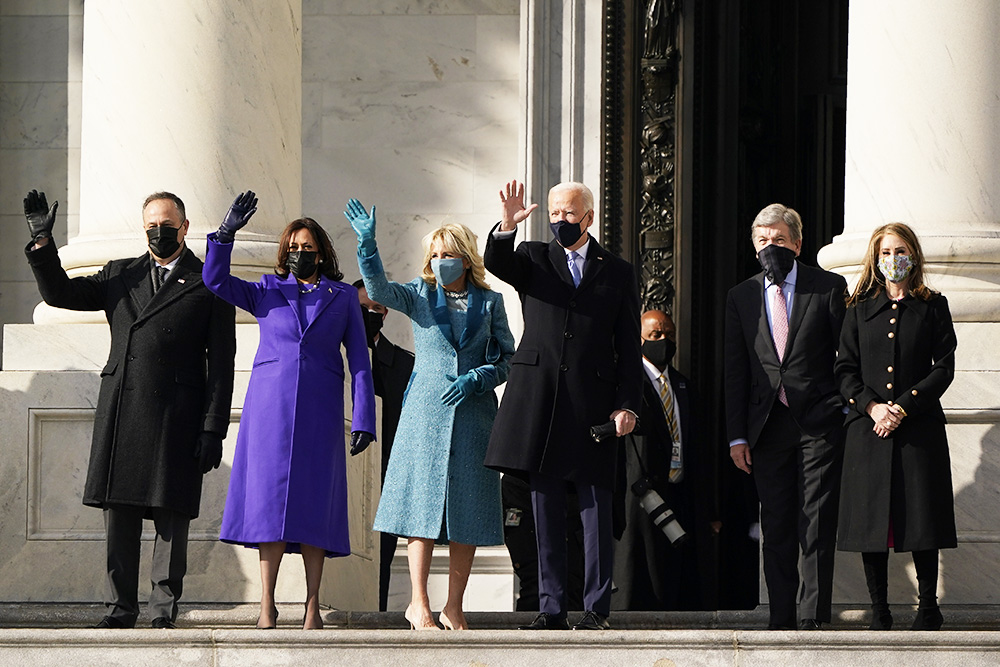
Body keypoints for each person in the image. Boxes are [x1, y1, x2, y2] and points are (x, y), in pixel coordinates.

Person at [22, 189, 236, 629]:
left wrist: (213, 427)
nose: (159, 232)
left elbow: (222, 362)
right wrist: (44, 245)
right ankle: (119, 609)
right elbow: (62, 294)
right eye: (152, 226)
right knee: (118, 514)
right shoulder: (121, 274)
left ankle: (162, 611)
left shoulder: (209, 281)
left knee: (170, 516)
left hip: (178, 413)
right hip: (125, 409)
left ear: (185, 227)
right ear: (144, 229)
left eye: (167, 225)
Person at [203, 191, 375, 630]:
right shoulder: (265, 289)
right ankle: (267, 605)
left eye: (307, 248)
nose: (300, 254)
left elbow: (358, 358)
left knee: (316, 505)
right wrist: (224, 235)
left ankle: (313, 606)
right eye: (293, 248)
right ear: (284, 252)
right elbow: (216, 281)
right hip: (269, 412)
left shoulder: (341, 297)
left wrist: (363, 419)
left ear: (321, 252)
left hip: (319, 410)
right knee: (270, 506)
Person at [346, 199, 515, 631]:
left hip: (474, 414)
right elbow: (379, 290)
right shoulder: (420, 295)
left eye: (447, 254)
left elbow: (509, 359)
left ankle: (453, 605)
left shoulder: (491, 302)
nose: (440, 262)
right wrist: (367, 243)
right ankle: (418, 603)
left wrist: (479, 377)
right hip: (424, 412)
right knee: (419, 506)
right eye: (434, 255)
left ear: (466, 257)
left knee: (468, 510)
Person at [483, 180, 643, 631]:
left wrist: (627, 403)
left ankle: (596, 608)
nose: (559, 221)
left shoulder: (617, 271)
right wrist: (505, 227)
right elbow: (497, 262)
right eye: (553, 214)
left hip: (594, 404)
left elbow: (629, 347)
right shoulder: (534, 258)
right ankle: (551, 607)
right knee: (544, 508)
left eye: (568, 214)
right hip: (541, 403)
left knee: (595, 509)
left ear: (588, 217)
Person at [724, 203, 847, 630]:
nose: (770, 247)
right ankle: (781, 617)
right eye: (762, 240)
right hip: (766, 426)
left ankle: (812, 615)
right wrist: (736, 436)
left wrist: (843, 407)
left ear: (796, 242)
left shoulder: (828, 286)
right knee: (775, 525)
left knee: (815, 521)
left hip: (818, 423)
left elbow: (845, 356)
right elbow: (735, 369)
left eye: (778, 240)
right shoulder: (741, 295)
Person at [835, 223, 957, 631]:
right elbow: (845, 370)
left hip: (918, 429)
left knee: (922, 517)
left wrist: (902, 408)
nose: (893, 260)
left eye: (900, 251)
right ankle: (880, 608)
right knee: (874, 521)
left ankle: (927, 607)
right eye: (885, 252)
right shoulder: (858, 308)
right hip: (868, 430)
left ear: (914, 255)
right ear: (875, 258)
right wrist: (872, 408)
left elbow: (944, 368)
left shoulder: (933, 305)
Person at [613, 309, 718, 611]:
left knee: (680, 580)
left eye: (669, 335)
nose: (664, 341)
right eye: (655, 335)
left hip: (681, 493)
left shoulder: (684, 387)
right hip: (642, 496)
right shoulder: (627, 386)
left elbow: (699, 447)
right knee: (641, 577)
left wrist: (709, 509)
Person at [352, 278, 416, 612]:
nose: (370, 314)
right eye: (363, 308)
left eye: (376, 308)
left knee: (380, 562)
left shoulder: (406, 366)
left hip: (387, 479)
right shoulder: (332, 357)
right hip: (342, 476)